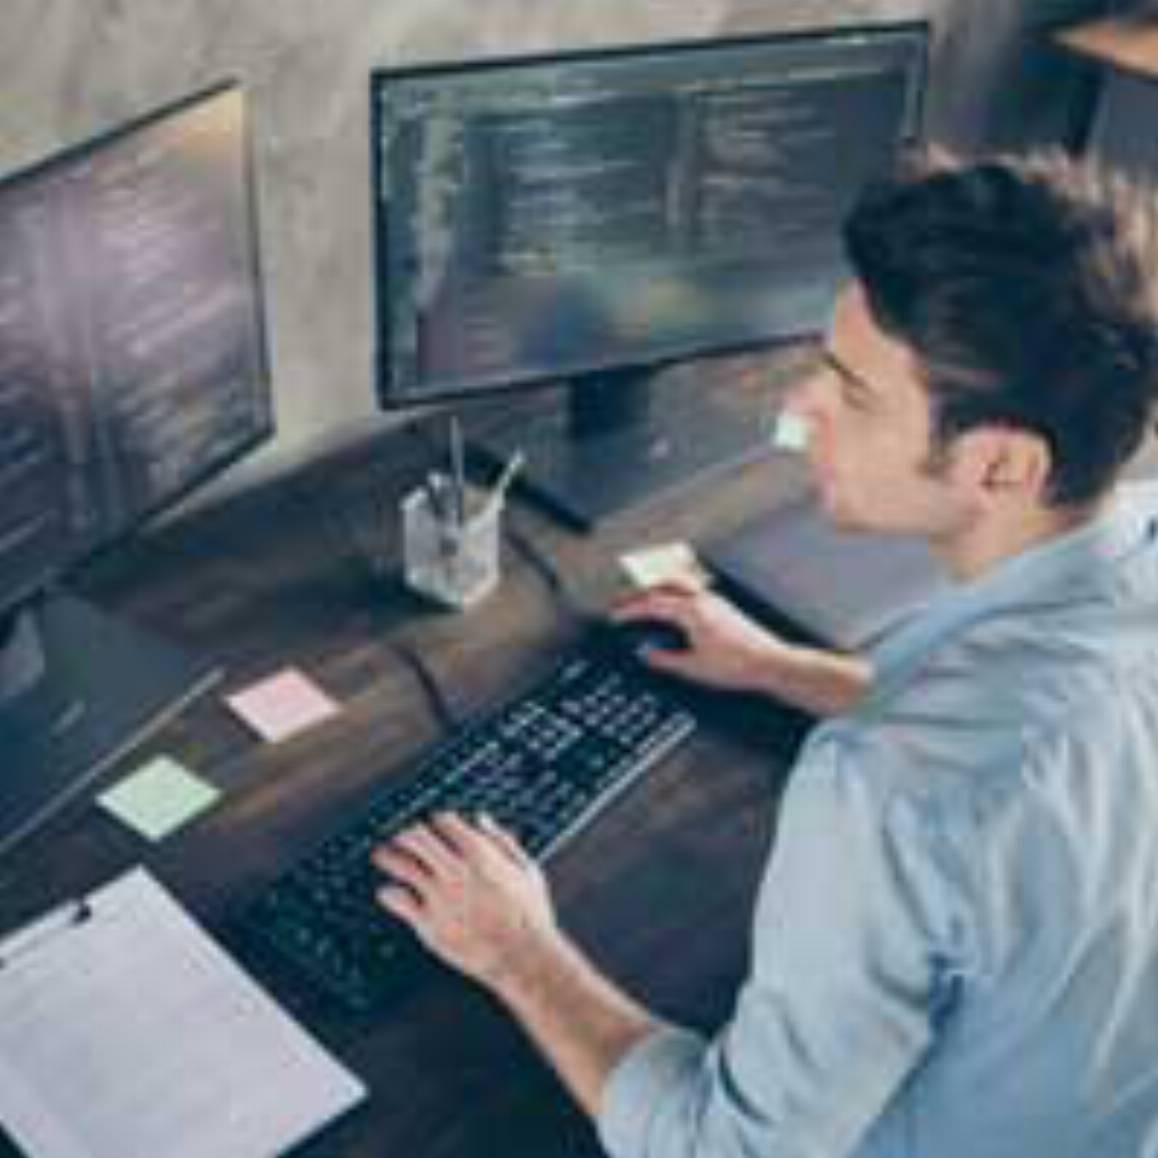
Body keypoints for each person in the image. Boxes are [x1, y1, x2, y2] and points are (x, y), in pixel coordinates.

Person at [371, 151, 1158, 1157]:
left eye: (853, 393)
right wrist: (785, 670)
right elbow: (1031, 758)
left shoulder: (887, 792)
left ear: (1000, 463)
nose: (800, 408)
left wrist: (516, 949)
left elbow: (723, 1149)